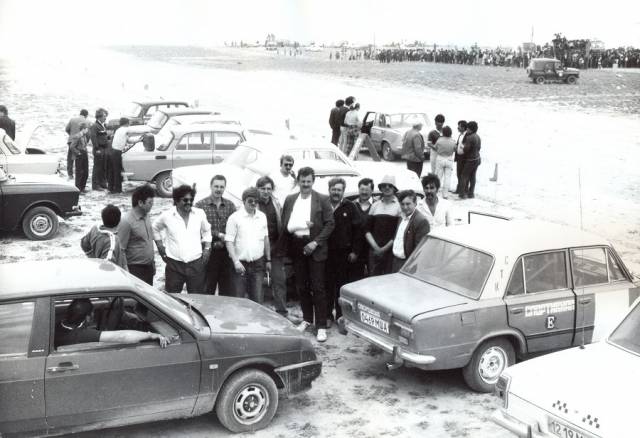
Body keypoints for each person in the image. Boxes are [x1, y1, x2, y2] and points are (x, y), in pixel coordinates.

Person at [281, 167, 335, 342]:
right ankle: (307, 319)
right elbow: (285, 223)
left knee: (318, 287)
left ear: (313, 181)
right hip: (297, 246)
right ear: (298, 181)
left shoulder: (322, 199)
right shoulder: (290, 199)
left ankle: (321, 326)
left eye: (308, 181)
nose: (305, 184)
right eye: (303, 181)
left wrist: (315, 242)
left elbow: (330, 224)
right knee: (301, 286)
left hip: (315, 247)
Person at [152, 185, 212, 293]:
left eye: (191, 200)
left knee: (196, 299)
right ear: (176, 200)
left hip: (196, 264)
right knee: (172, 298)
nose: (189, 202)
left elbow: (207, 230)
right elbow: (154, 228)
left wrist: (207, 249)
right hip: (174, 265)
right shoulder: (167, 216)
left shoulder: (199, 214)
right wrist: (160, 246)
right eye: (185, 200)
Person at [55, 298, 168, 349]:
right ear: (88, 317)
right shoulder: (83, 335)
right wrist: (151, 335)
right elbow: (121, 336)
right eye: (92, 313)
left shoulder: (58, 325)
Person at [326, 177, 363, 324]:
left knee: (341, 285)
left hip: (344, 254)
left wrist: (355, 251)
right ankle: (327, 316)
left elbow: (358, 231)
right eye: (333, 189)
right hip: (326, 253)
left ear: (343, 191)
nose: (336, 192)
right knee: (327, 285)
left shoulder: (350, 206)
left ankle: (341, 316)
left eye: (339, 190)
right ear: (329, 190)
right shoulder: (324, 204)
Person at [225, 187, 271, 303]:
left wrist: (268, 259)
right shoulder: (234, 218)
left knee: (257, 300)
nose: (253, 203)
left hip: (258, 264)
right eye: (250, 200)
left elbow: (266, 238)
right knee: (239, 300)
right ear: (244, 200)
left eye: (256, 201)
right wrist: (236, 262)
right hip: (240, 265)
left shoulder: (262, 217)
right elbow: (229, 242)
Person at [195, 175, 236, 295]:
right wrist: (218, 235)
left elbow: (235, 227)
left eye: (221, 187)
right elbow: (198, 229)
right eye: (216, 186)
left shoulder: (230, 205)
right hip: (208, 253)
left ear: (225, 188)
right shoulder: (200, 205)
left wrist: (226, 238)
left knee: (227, 290)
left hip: (226, 253)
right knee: (207, 289)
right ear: (211, 186)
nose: (219, 189)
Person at [256, 176, 290, 317]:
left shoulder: (276, 203)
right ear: (257, 189)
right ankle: (257, 314)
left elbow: (282, 224)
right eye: (263, 188)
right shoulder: (253, 203)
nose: (266, 191)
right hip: (257, 248)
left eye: (269, 189)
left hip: (275, 248)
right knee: (258, 283)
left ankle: (282, 312)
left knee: (279, 281)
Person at [117, 184, 156, 285]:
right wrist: (126, 272)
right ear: (140, 203)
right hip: (135, 270)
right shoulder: (126, 221)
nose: (152, 205)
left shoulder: (147, 216)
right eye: (150, 202)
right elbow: (121, 250)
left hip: (148, 267)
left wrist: (153, 263)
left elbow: (148, 241)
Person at [365, 175, 401, 276]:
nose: (387, 187)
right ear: (380, 188)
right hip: (374, 251)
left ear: (394, 188)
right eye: (384, 185)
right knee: (373, 279)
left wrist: (384, 249)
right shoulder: (375, 205)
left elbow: (398, 233)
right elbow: (367, 230)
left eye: (390, 185)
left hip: (391, 251)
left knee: (388, 279)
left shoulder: (399, 207)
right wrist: (376, 248)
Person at [391, 190, 430, 272]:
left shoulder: (421, 221)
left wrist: (410, 266)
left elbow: (419, 249)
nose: (405, 207)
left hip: (407, 264)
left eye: (408, 204)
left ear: (415, 203)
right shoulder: (401, 217)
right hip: (395, 261)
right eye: (402, 204)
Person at [81, 204, 128, 269]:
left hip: (97, 267)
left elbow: (84, 244)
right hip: (113, 273)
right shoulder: (112, 241)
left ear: (103, 218)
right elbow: (107, 265)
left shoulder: (95, 229)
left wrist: (93, 258)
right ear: (119, 220)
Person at [351, 177, 374, 280]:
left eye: (367, 190)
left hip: (372, 249)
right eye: (362, 189)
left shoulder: (377, 205)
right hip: (355, 250)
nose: (364, 192)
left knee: (372, 278)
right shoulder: (351, 205)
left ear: (372, 191)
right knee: (356, 278)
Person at [459, 121, 481, 199]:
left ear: (470, 129)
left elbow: (466, 149)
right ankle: (471, 193)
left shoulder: (469, 137)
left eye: (467, 128)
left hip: (470, 160)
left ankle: (462, 194)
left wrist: (462, 147)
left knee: (464, 176)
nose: (467, 130)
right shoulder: (478, 136)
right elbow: (479, 148)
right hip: (477, 158)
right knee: (473, 176)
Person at [433, 126, 457, 198]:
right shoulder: (453, 141)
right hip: (449, 159)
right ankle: (445, 194)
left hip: (440, 158)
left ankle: (435, 193)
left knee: (438, 177)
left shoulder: (439, 140)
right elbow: (455, 149)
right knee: (447, 178)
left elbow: (435, 148)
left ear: (443, 132)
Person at [65, 109, 89, 180]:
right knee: (79, 160)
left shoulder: (72, 119)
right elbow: (88, 134)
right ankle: (79, 177)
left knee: (70, 158)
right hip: (81, 143)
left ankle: (70, 175)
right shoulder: (87, 121)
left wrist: (71, 135)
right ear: (86, 115)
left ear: (80, 113)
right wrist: (85, 142)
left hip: (71, 140)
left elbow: (66, 129)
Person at [90, 108, 109, 190]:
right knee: (97, 167)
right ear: (99, 116)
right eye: (104, 116)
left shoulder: (103, 125)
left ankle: (102, 183)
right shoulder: (95, 126)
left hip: (104, 148)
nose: (105, 118)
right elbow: (93, 137)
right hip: (99, 149)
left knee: (103, 166)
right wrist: (97, 148)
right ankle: (95, 185)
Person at [108, 117, 128, 193]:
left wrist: (138, 140)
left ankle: (110, 188)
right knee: (117, 171)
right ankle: (117, 189)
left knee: (112, 171)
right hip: (117, 152)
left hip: (113, 151)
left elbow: (128, 139)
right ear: (126, 123)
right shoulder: (124, 129)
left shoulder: (119, 130)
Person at [69, 121, 90, 192]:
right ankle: (78, 188)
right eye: (86, 129)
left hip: (84, 153)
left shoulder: (84, 136)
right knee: (79, 172)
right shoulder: (77, 136)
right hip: (79, 155)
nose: (87, 130)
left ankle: (82, 187)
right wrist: (78, 153)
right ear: (83, 129)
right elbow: (72, 147)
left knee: (86, 172)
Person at [453, 120, 468, 195]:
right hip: (459, 157)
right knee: (458, 173)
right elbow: (458, 143)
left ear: (463, 127)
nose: (457, 128)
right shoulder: (460, 135)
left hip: (464, 158)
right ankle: (459, 189)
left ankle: (463, 190)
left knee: (463, 174)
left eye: (459, 126)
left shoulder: (467, 135)